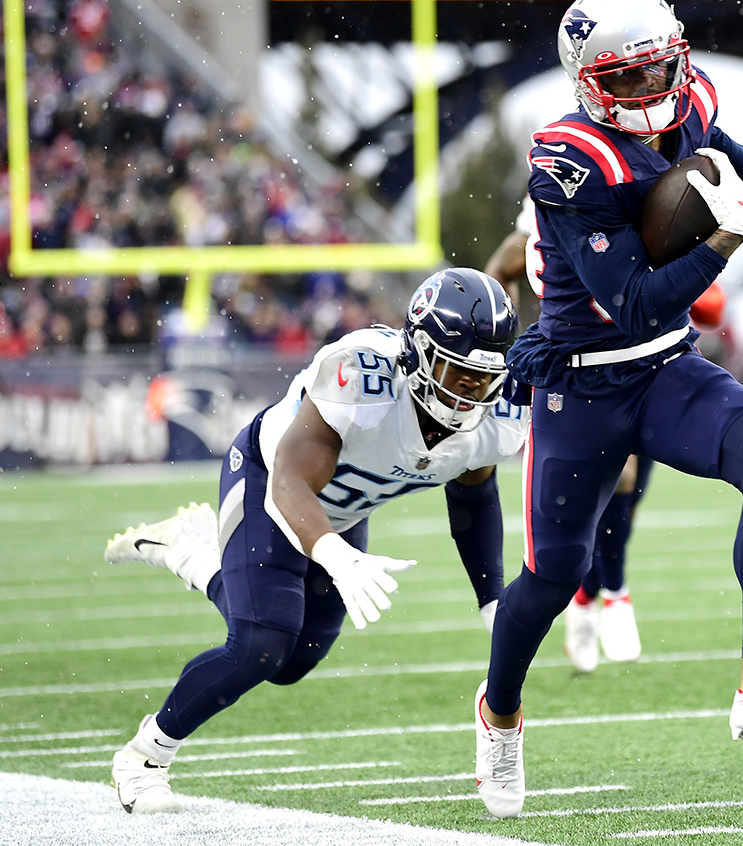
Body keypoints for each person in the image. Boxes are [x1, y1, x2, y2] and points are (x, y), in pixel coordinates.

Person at [472, 0, 743, 818]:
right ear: (586, 82)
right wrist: (726, 242)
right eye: (626, 81)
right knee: (555, 576)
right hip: (583, 383)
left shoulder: (684, 101)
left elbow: (716, 145)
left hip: (663, 370)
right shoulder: (569, 157)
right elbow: (632, 298)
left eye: (660, 70)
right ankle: (500, 713)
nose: (649, 93)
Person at [103, 268, 525, 814]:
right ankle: (145, 756)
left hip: (343, 512)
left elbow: (473, 496)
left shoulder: (496, 413)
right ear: (419, 352)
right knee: (260, 643)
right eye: (459, 373)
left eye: (483, 378)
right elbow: (288, 483)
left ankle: (195, 554)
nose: (472, 392)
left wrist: (492, 600)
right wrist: (333, 553)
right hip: (270, 481)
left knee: (292, 662)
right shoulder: (360, 372)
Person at [485, 198, 729, 672]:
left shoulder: (643, 205)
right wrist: (507, 335)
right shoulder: (550, 223)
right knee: (596, 501)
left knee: (626, 500)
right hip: (579, 370)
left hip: (649, 361)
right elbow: (502, 267)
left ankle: (590, 597)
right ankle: (610, 592)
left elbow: (695, 288)